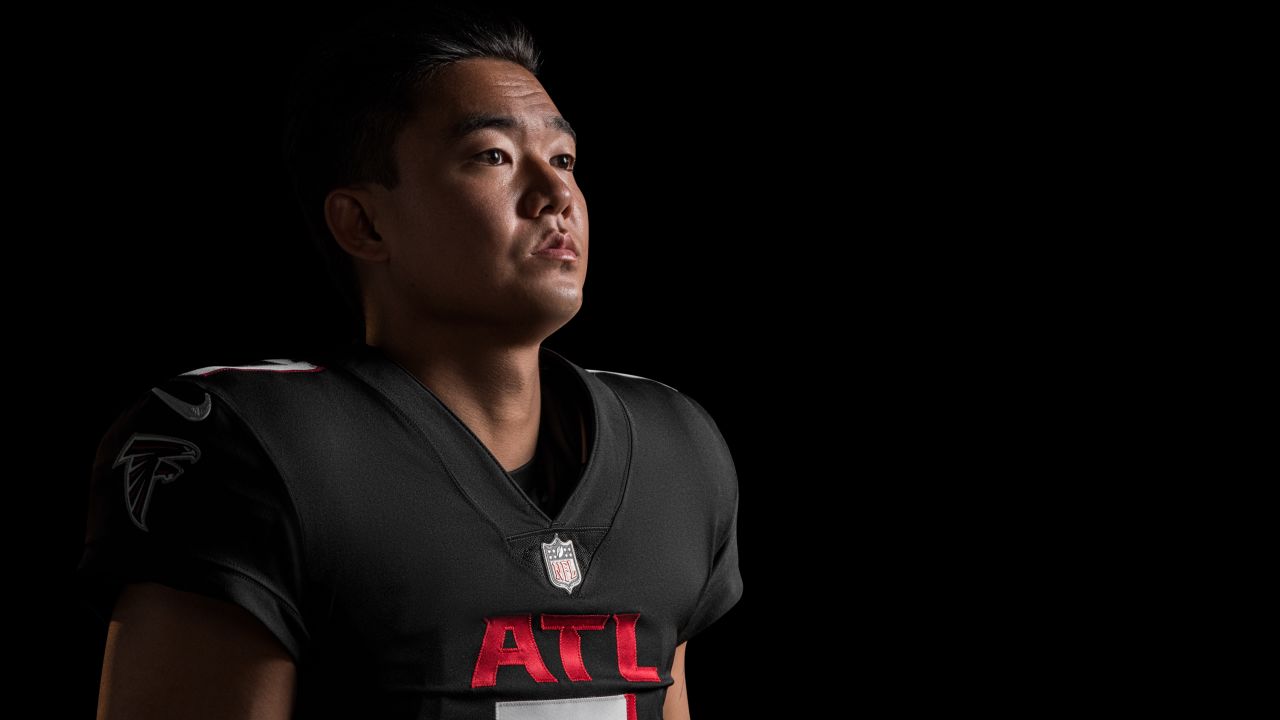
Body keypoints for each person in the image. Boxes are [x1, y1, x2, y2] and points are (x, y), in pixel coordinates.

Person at [75, 7, 742, 720]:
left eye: (564, 160)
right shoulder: (251, 448)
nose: (558, 197)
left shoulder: (677, 449)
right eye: (493, 156)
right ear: (363, 223)